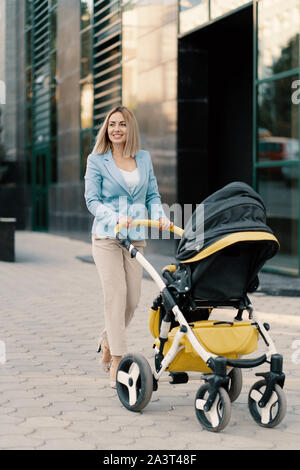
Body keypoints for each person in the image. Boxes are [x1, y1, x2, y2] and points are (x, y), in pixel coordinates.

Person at [84, 105, 172, 388]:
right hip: (107, 237)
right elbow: (92, 201)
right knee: (116, 294)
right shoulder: (97, 160)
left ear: (130, 128)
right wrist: (114, 218)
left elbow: (153, 194)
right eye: (112, 125)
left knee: (133, 299)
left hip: (135, 237)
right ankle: (118, 362)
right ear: (106, 129)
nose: (116, 129)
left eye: (122, 124)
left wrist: (158, 216)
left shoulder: (143, 158)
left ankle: (108, 340)